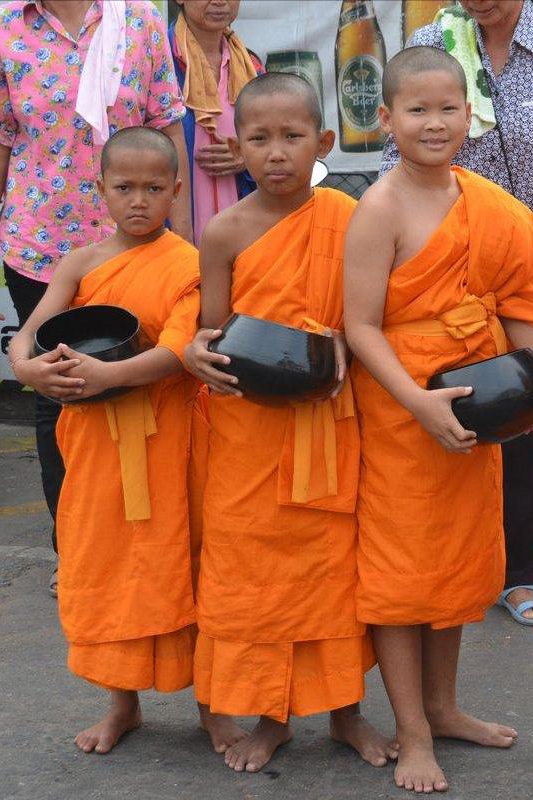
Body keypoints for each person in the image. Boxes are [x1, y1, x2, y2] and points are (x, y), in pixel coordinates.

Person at [344, 47, 533, 793]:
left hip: (476, 405)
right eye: (417, 110)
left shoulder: (487, 202)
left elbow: (520, 302)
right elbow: (361, 327)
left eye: (447, 109)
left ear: (470, 117)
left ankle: (443, 707)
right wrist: (417, 402)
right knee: (402, 580)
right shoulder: (380, 208)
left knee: (455, 565)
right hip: (405, 412)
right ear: (386, 120)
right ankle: (411, 733)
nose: (433, 124)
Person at [179, 73, 397, 774]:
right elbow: (211, 328)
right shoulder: (223, 231)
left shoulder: (351, 216)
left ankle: (345, 714)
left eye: (293, 137)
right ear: (235, 146)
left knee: (333, 573)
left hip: (330, 419)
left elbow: (369, 316)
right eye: (260, 138)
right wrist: (195, 351)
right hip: (249, 432)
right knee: (257, 577)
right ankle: (270, 718)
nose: (277, 154)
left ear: (323, 142)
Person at [381, 0, 533, 626]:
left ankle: (529, 569)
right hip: (450, 290)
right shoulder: (431, 41)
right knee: (475, 423)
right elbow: (404, 150)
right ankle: (480, 570)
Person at [0, 0, 192, 595]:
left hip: (143, 248)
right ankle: (75, 546)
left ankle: (153, 542)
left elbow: (168, 129)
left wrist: (187, 244)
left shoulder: (138, 19)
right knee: (58, 399)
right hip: (43, 248)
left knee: (151, 390)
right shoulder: (1, 29)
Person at [5, 127, 201, 755]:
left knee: (185, 563)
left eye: (153, 188)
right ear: (100, 190)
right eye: (124, 187)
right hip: (93, 446)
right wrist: (27, 368)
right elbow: (28, 335)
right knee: (106, 566)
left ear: (176, 190)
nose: (138, 201)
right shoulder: (81, 263)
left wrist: (109, 375)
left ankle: (214, 706)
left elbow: (181, 350)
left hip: (169, 440)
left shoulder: (190, 263)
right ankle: (122, 706)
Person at [169, 0, 263, 242]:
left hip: (242, 223)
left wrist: (248, 158)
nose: (220, 2)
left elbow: (273, 141)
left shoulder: (250, 66)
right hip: (174, 224)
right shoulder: (160, 60)